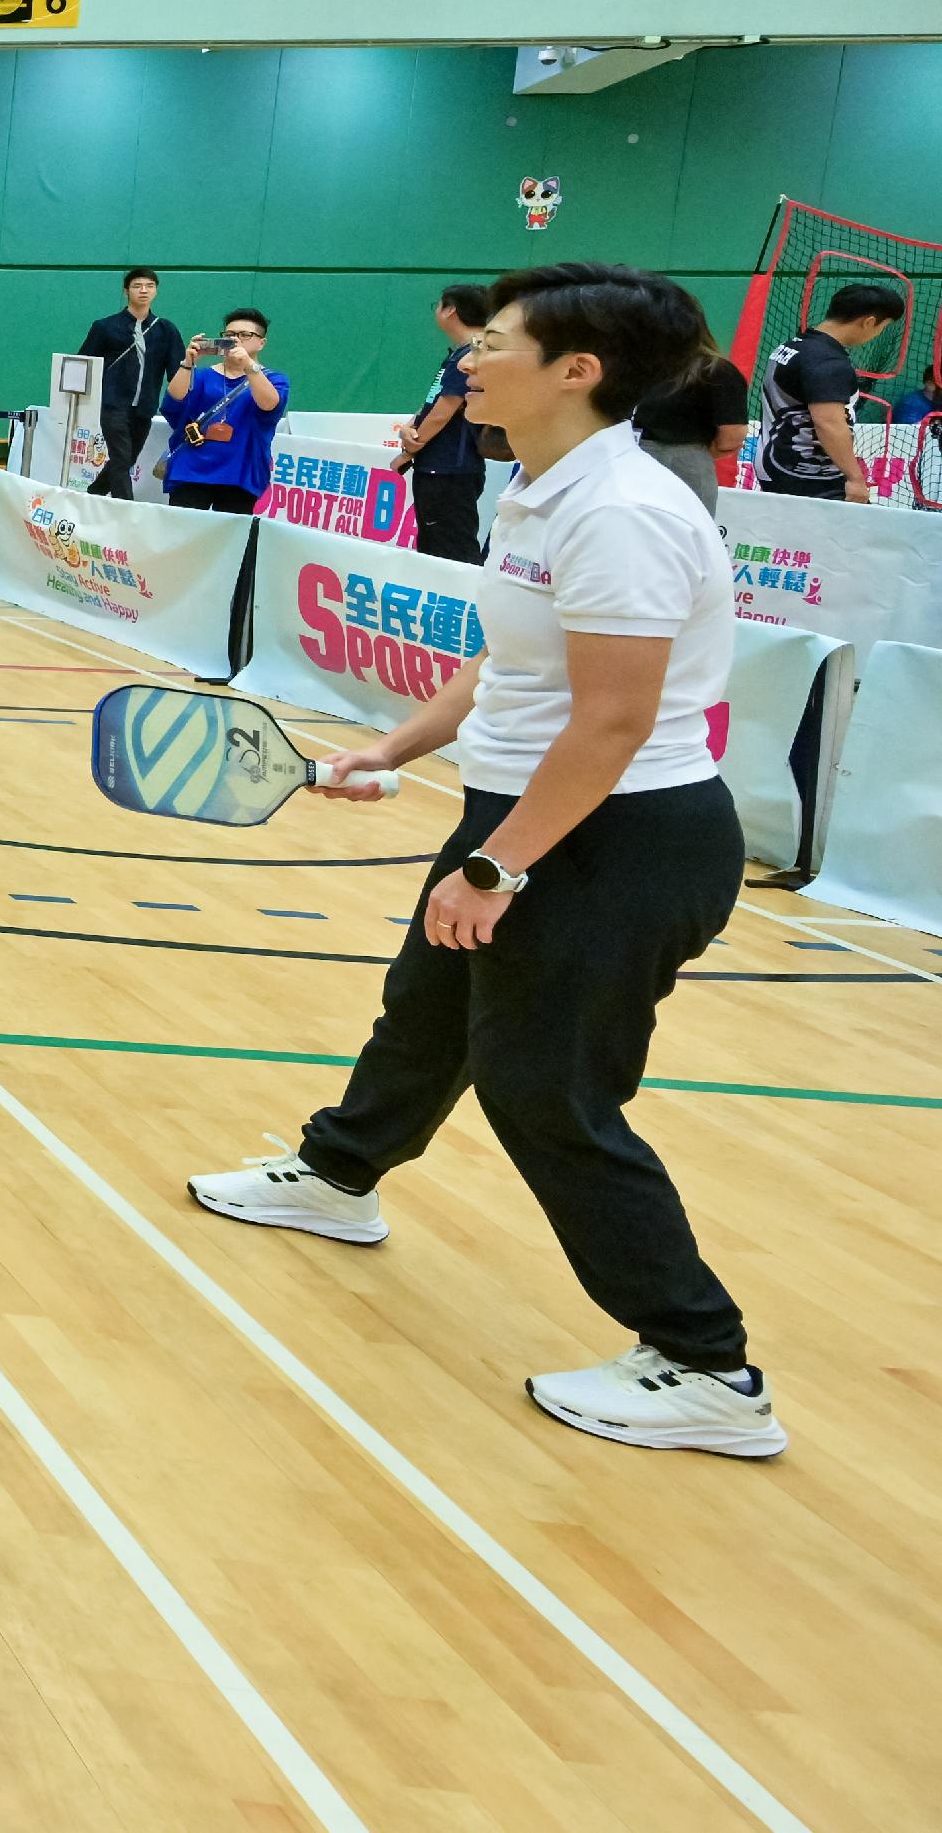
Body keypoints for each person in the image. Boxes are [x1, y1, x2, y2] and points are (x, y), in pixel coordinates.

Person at [188, 264, 776, 1457]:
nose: (468, 354)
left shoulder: (622, 511)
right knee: (429, 1007)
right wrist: (389, 747)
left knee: (546, 1085)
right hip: (529, 813)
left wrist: (498, 868)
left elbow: (611, 722)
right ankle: (336, 1176)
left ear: (577, 369)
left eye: (495, 340)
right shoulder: (543, 486)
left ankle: (706, 1362)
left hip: (618, 839)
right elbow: (509, 668)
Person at [757, 281, 903, 501]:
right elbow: (829, 423)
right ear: (869, 322)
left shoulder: (793, 346)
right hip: (810, 475)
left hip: (778, 462)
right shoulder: (827, 362)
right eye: (882, 328)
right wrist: (855, 477)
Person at [389, 283, 493, 565]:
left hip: (450, 470)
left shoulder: (474, 355)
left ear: (451, 311)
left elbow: (444, 411)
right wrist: (409, 427)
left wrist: (410, 449)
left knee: (452, 552)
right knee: (433, 548)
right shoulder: (458, 354)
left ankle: (464, 608)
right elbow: (432, 404)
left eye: (439, 304)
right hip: (437, 466)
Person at [158, 308, 287, 515]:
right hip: (192, 468)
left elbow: (269, 405)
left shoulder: (274, 379)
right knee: (182, 535)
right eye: (230, 335)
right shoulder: (201, 376)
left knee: (230, 541)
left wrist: (248, 365)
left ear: (261, 342)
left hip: (240, 472)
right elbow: (174, 401)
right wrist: (187, 362)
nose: (236, 340)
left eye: (245, 335)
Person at [78, 269, 179, 501]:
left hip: (145, 406)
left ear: (156, 290)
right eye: (137, 285)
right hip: (113, 404)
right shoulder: (105, 327)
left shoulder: (166, 330)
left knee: (127, 459)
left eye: (149, 285)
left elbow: (176, 372)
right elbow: (84, 363)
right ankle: (126, 511)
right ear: (126, 291)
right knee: (122, 459)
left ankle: (92, 494)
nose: (144, 290)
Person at [632, 351, 749, 516]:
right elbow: (731, 436)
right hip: (683, 463)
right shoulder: (716, 369)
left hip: (641, 458)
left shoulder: (633, 362)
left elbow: (731, 436)